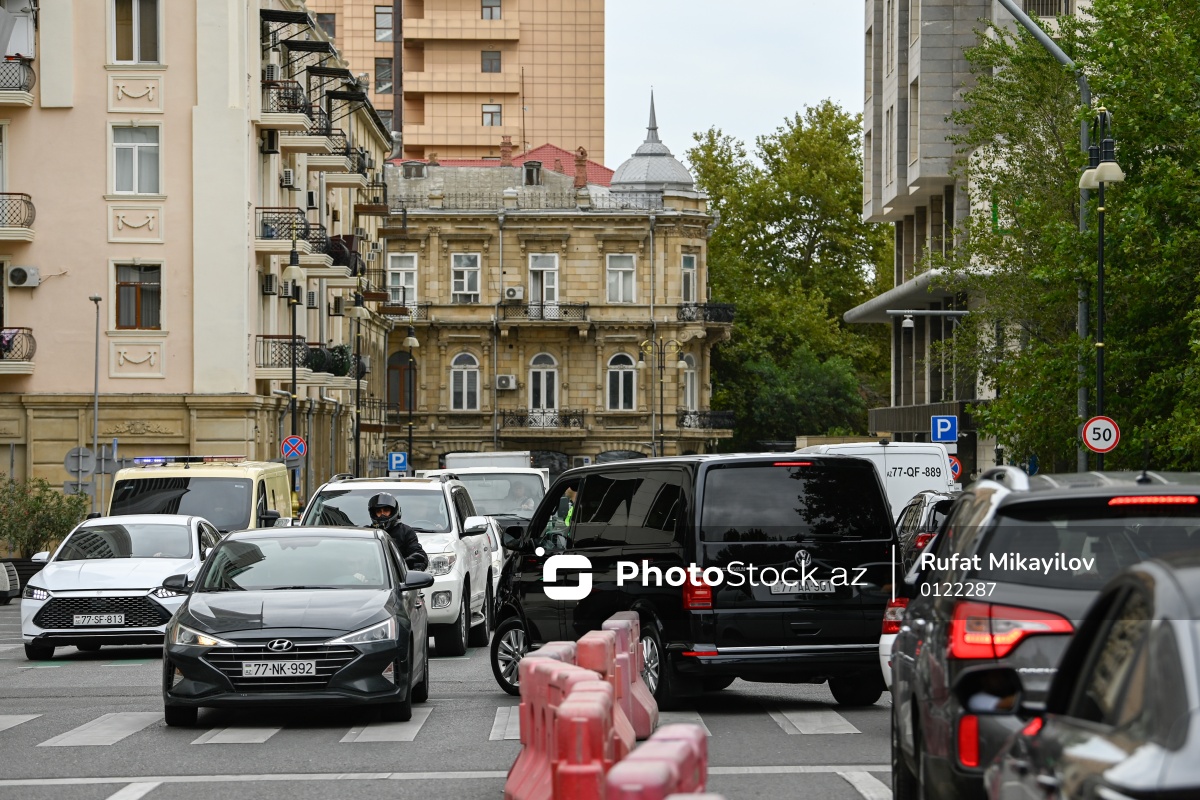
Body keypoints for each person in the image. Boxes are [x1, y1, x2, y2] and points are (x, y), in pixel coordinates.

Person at [367, 492, 429, 571]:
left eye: (386, 510)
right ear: (374, 513)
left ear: (393, 511)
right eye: (378, 511)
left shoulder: (406, 531)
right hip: (370, 574)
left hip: (398, 575)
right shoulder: (368, 533)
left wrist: (412, 567)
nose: (382, 514)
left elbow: (419, 555)